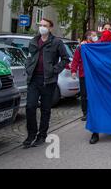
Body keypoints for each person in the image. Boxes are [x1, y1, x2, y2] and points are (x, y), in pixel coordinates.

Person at [23, 18, 69, 148]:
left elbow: (65, 59)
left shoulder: (56, 42)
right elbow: (28, 57)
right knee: (30, 106)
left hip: (48, 80)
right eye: (41, 25)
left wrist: (55, 70)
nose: (42, 27)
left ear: (50, 28)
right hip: (33, 79)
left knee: (45, 109)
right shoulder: (33, 41)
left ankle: (42, 135)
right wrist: (28, 67)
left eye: (45, 25)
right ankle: (31, 134)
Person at [89, 23, 111, 144]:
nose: (107, 31)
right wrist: (84, 46)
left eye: (109, 29)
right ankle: (95, 132)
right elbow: (86, 54)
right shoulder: (95, 45)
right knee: (96, 104)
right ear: (102, 30)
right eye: (105, 29)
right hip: (97, 79)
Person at [71, 31, 98, 121]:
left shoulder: (97, 45)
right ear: (88, 36)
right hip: (84, 74)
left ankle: (94, 111)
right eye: (94, 35)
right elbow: (75, 59)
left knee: (94, 94)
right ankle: (85, 113)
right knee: (84, 95)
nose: (95, 37)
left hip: (95, 74)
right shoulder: (81, 47)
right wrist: (73, 71)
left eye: (95, 35)